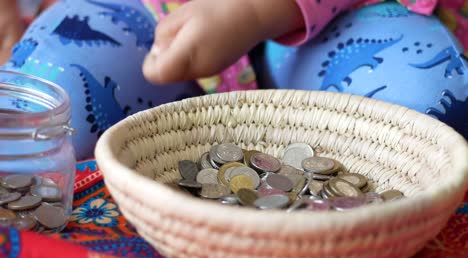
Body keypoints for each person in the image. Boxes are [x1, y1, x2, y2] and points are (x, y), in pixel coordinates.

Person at [0, 0, 466, 159]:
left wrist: (257, 10)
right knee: (41, 111)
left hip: (340, 25)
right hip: (153, 20)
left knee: (432, 114)